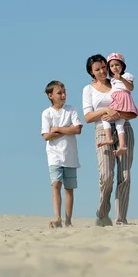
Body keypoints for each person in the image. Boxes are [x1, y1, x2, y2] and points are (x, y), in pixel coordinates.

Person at [82, 54, 138, 226]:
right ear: (91, 72)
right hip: (102, 130)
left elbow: (131, 110)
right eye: (97, 69)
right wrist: (106, 110)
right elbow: (88, 117)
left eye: (103, 67)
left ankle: (121, 218)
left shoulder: (117, 82)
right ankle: (103, 211)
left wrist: (118, 114)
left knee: (125, 176)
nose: (102, 71)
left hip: (124, 128)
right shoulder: (88, 90)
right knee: (106, 175)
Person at [41, 80, 83, 228]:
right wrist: (67, 129)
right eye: (59, 93)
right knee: (56, 184)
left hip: (70, 156)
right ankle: (57, 218)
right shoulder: (46, 113)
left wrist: (57, 129)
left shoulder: (71, 110)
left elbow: (77, 130)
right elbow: (46, 136)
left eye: (64, 92)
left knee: (69, 189)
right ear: (50, 95)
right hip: (54, 156)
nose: (63, 95)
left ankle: (68, 220)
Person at [96, 52, 138, 156]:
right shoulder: (112, 79)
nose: (114, 67)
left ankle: (116, 141)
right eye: (112, 66)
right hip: (116, 100)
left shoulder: (127, 75)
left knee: (111, 119)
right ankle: (113, 140)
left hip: (123, 99)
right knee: (114, 122)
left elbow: (131, 88)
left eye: (117, 65)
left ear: (122, 65)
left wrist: (122, 79)